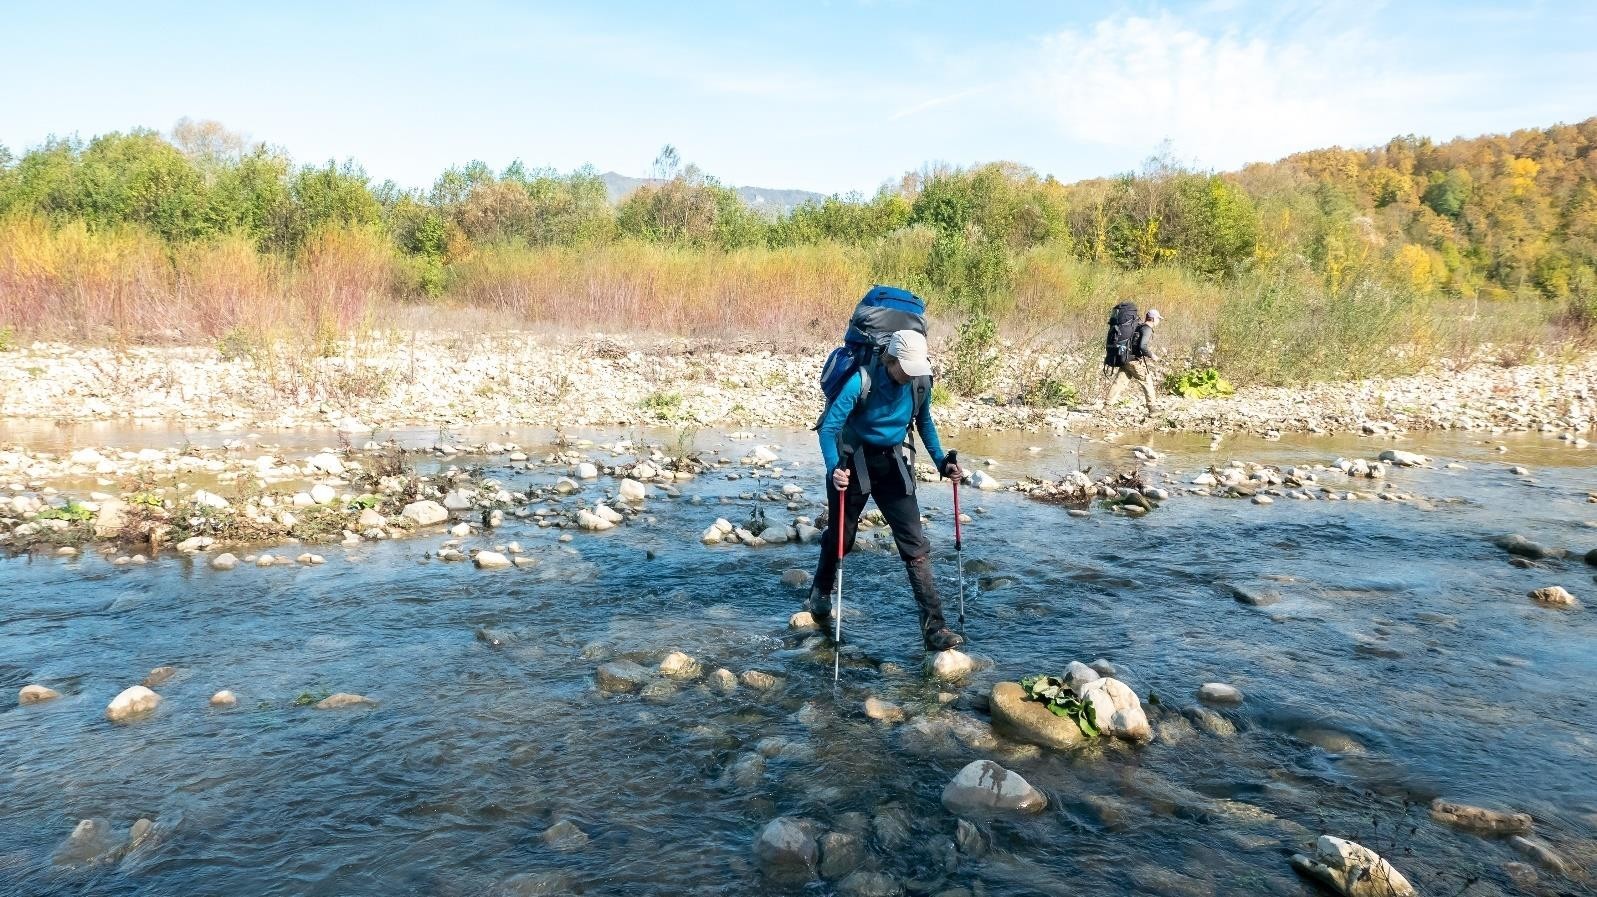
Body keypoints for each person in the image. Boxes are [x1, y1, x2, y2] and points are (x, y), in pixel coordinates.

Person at [807, 329, 965, 652]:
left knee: (915, 544)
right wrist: (834, 468)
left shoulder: (920, 383)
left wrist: (941, 462)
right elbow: (829, 428)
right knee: (842, 539)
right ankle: (821, 592)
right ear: (889, 359)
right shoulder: (861, 381)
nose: (909, 376)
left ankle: (935, 629)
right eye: (904, 368)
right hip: (853, 459)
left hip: (893, 461)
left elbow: (924, 423)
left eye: (914, 369)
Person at [1104, 308, 1161, 416]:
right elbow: (1142, 346)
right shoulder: (1147, 329)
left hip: (1125, 358)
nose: (1158, 321)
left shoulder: (1138, 326)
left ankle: (1106, 407)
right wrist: (1152, 355)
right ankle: (1152, 408)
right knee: (1147, 381)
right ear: (1153, 319)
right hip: (1134, 361)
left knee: (1119, 382)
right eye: (1158, 318)